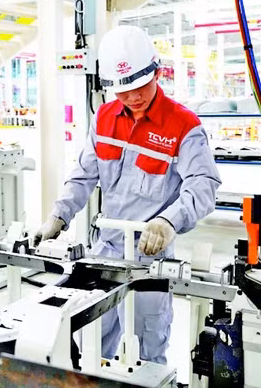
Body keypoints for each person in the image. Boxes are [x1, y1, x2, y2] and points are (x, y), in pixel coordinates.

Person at [34, 25, 221, 364]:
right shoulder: (104, 118)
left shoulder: (183, 125)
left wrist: (168, 222)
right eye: (123, 91)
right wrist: (59, 215)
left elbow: (204, 185)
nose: (133, 97)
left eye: (140, 86)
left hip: (150, 256)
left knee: (146, 351)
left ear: (157, 73)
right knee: (91, 343)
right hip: (105, 250)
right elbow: (84, 174)